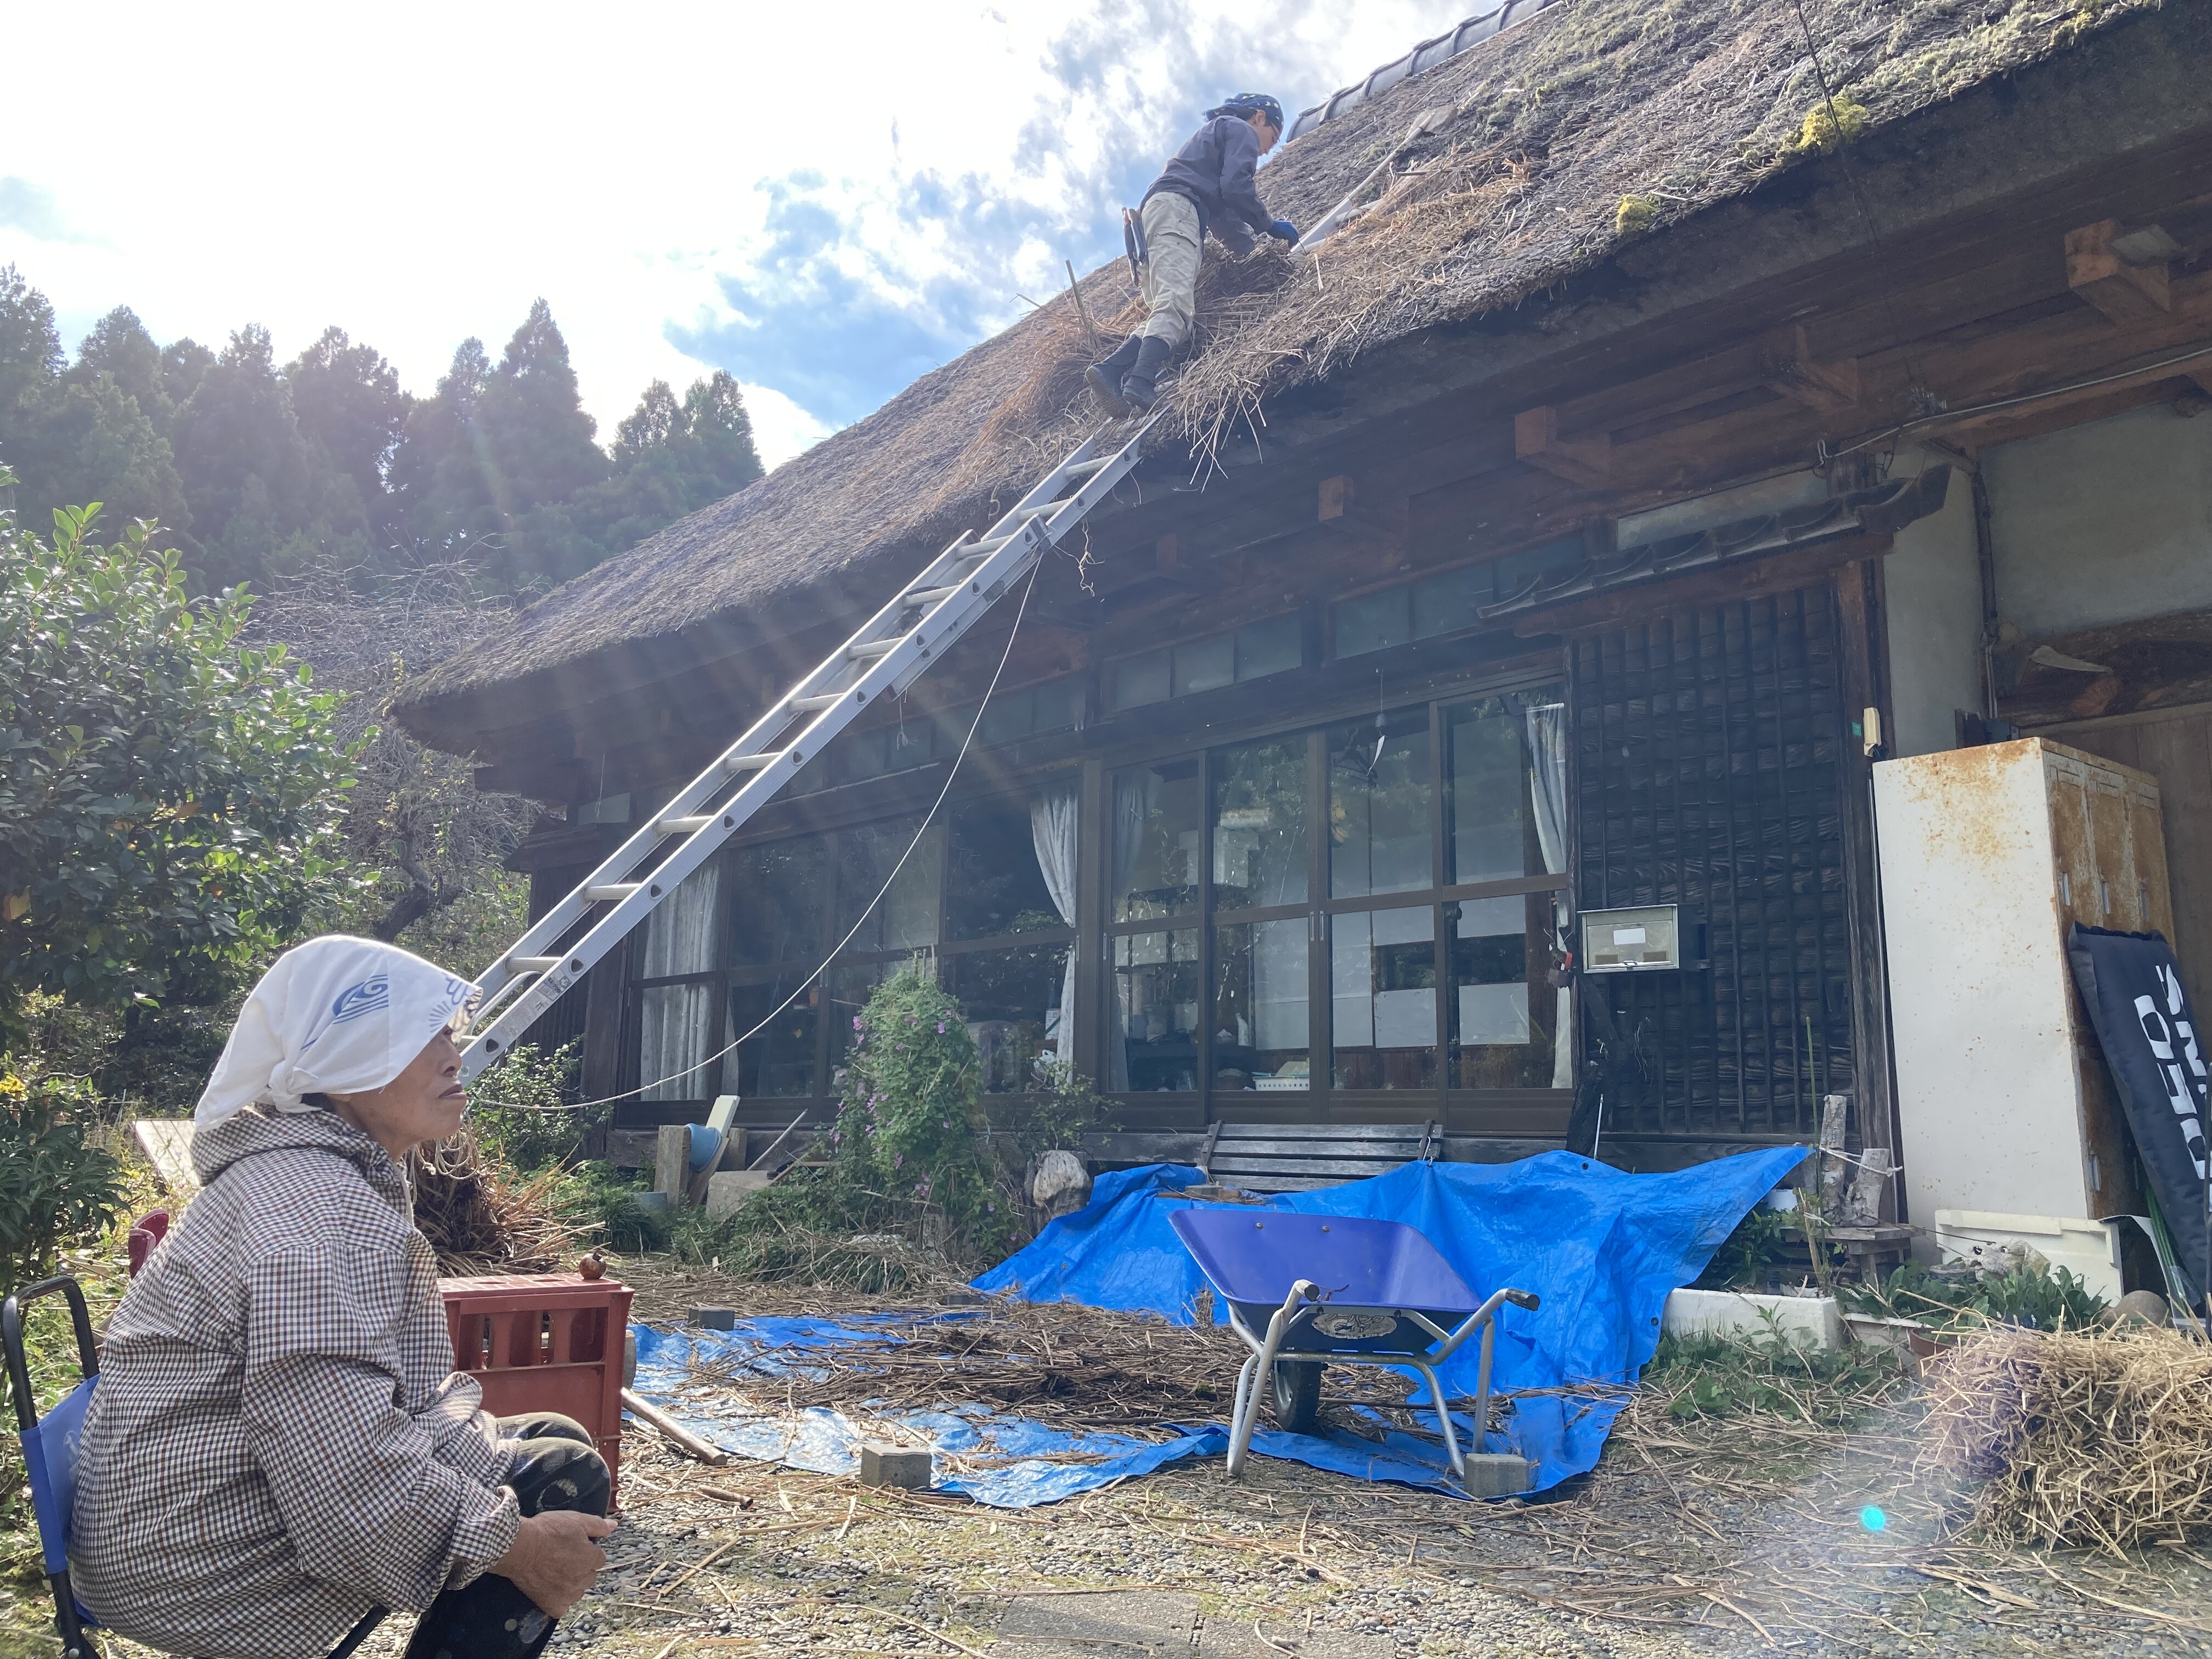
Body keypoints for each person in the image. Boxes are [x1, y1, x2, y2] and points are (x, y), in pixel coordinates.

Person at [71, 936, 617, 1659]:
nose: (455, 1054)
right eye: (428, 1035)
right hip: (197, 1569)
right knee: (564, 1478)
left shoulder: (311, 1177)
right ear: (349, 1063)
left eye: (450, 1031)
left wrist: (484, 1508)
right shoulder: (319, 1214)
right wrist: (513, 1546)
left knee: (561, 1439)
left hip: (179, 1521)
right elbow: (339, 1465)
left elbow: (368, 1415)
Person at [1088, 93, 1300, 417]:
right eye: (1272, 138)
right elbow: (1236, 188)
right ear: (1258, 117)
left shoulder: (1202, 162)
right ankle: (1141, 382)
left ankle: (1112, 370)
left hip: (1154, 221)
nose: (1268, 150)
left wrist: (1254, 255)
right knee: (1176, 304)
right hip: (1178, 213)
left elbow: (1225, 218)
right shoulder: (1237, 129)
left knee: (1171, 313)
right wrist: (1269, 225)